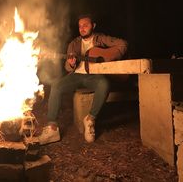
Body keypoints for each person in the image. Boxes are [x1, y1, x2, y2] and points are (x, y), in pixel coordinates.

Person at [39, 14, 128, 144]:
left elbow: (123, 44)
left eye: (85, 25)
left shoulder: (101, 38)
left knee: (104, 83)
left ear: (93, 26)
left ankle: (90, 119)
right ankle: (52, 127)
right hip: (77, 75)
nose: (82, 28)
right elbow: (68, 68)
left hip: (94, 76)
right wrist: (71, 63)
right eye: (80, 26)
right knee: (57, 86)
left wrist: (108, 57)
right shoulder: (74, 44)